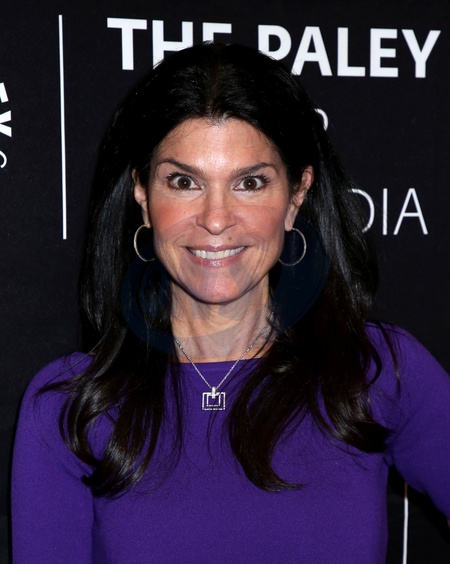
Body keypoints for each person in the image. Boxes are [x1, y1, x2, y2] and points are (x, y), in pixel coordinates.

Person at [11, 42, 450, 563]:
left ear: (296, 195)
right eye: (184, 182)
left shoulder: (378, 372)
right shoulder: (69, 408)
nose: (216, 219)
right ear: (142, 195)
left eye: (249, 182)